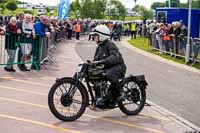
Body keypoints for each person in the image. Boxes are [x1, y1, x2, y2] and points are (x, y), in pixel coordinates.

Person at [91, 25, 127, 102]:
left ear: (101, 36)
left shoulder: (110, 44)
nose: (94, 38)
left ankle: (121, 92)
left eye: (95, 36)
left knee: (109, 74)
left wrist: (103, 61)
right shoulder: (99, 47)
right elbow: (96, 60)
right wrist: (92, 63)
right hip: (108, 67)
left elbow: (114, 57)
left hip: (119, 67)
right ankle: (100, 97)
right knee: (93, 75)